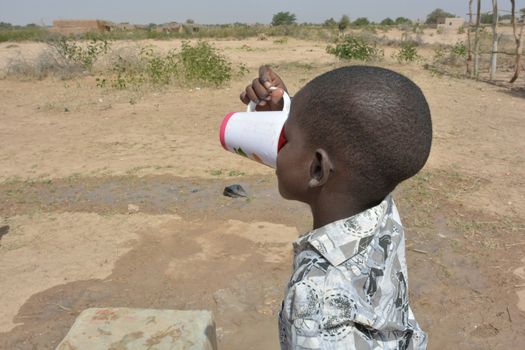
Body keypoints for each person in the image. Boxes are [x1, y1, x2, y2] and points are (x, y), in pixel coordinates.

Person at [240, 65, 431, 349]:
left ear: (317, 168)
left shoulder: (314, 300)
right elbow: (340, 148)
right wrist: (290, 113)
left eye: (286, 138)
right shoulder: (382, 208)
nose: (279, 144)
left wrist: (303, 125)